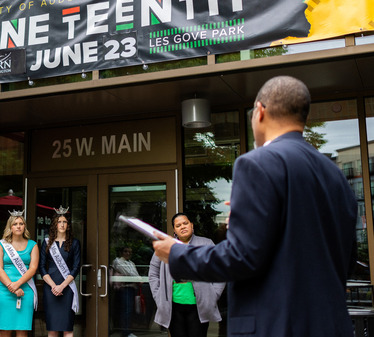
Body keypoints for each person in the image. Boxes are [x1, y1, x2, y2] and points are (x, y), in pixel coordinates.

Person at [153, 76, 358, 337]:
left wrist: (177, 254)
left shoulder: (257, 163)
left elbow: (242, 257)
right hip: (332, 325)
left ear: (259, 111)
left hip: (276, 326)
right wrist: (245, 223)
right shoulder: (335, 174)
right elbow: (344, 259)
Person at [149, 213, 225, 337]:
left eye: (185, 223)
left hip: (198, 307)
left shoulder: (206, 244)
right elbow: (153, 272)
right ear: (174, 230)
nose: (182, 227)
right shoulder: (165, 245)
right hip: (173, 307)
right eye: (178, 225)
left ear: (191, 225)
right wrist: (158, 295)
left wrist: (213, 295)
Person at [0, 211, 39, 336]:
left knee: (22, 329)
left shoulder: (32, 245)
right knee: (5, 329)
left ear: (24, 226)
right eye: (15, 224)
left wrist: (17, 284)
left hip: (25, 291)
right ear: (10, 227)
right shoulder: (1, 245)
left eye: (21, 223)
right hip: (4, 291)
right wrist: (11, 286)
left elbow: (33, 268)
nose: (18, 226)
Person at [39, 208, 81, 337]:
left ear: (68, 225)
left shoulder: (75, 243)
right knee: (52, 328)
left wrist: (62, 286)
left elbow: (76, 267)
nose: (62, 224)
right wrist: (53, 286)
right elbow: (41, 267)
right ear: (54, 225)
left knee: (67, 328)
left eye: (65, 222)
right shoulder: (46, 243)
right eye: (59, 222)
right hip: (50, 288)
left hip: (67, 288)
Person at [112, 246, 139, 337]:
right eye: (126, 251)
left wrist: (136, 277)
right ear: (121, 252)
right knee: (125, 311)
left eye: (130, 252)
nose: (128, 253)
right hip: (124, 288)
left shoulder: (131, 263)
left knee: (129, 310)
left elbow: (136, 274)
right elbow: (129, 273)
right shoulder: (118, 261)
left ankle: (127, 331)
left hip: (131, 288)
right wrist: (136, 278)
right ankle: (125, 332)